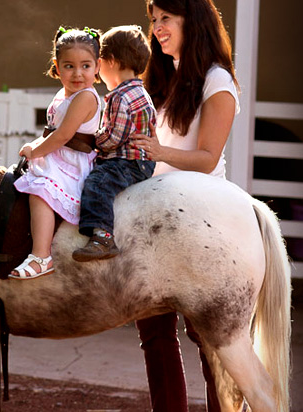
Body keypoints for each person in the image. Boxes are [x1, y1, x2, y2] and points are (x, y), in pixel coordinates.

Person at [131, 0, 240, 410]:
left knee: (207, 338)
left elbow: (208, 157)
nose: (157, 28)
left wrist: (157, 151)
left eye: (166, 19)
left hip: (201, 221)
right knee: (154, 335)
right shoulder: (161, 77)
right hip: (154, 219)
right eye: (153, 20)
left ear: (191, 20)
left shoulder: (218, 80)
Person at [10, 27, 102, 279]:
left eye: (85, 66)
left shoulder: (85, 98)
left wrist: (34, 151)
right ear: (57, 66)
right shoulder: (63, 94)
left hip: (72, 161)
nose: (77, 73)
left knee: (41, 190)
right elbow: (52, 130)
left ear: (97, 66)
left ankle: (41, 256)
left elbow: (62, 136)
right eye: (69, 66)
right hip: (57, 154)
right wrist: (37, 146)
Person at [71, 25, 156, 262]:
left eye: (99, 63)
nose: (97, 71)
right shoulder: (141, 92)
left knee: (98, 182)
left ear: (111, 61)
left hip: (127, 161)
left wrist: (93, 139)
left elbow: (113, 138)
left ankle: (102, 236)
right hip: (142, 161)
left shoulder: (120, 96)